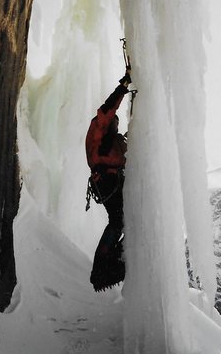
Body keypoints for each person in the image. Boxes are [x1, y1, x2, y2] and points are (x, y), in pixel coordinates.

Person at [85, 71, 131, 291]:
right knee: (118, 219)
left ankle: (114, 259)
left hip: (111, 180)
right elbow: (108, 107)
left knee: (121, 220)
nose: (116, 125)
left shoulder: (113, 140)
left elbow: (126, 153)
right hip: (106, 179)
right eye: (115, 121)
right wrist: (123, 86)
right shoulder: (99, 127)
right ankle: (103, 265)